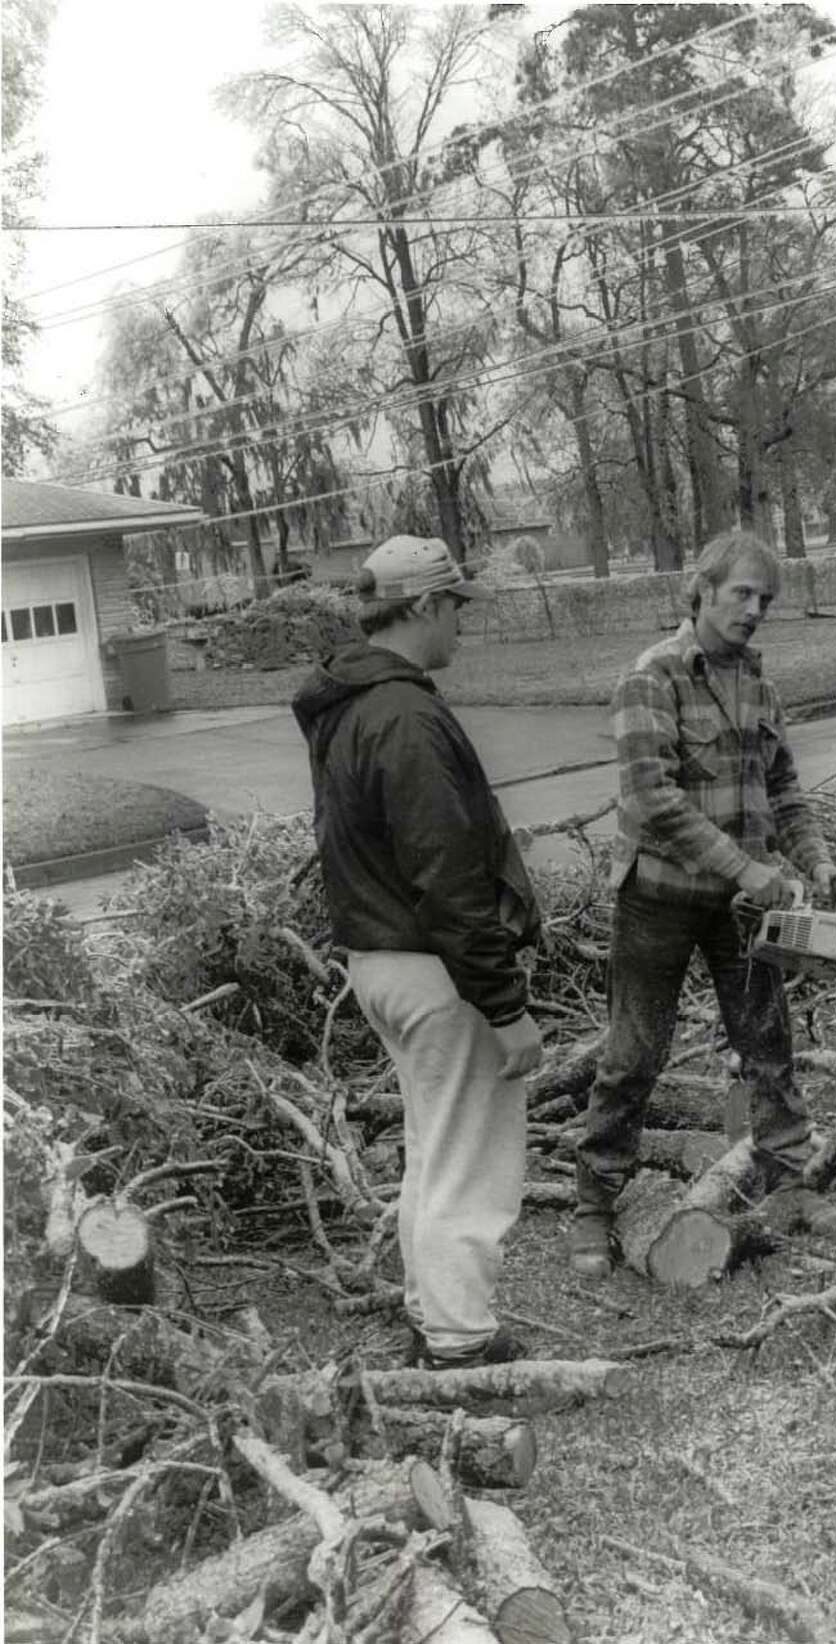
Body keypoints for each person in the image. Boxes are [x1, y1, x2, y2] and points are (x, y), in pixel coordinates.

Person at [570, 529, 836, 1277]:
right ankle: (596, 1205)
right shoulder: (650, 678)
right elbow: (653, 800)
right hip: (658, 899)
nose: (754, 610)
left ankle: (791, 1185)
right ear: (699, 591)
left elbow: (784, 787)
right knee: (632, 1055)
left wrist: (817, 862)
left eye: (765, 599)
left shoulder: (759, 684)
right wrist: (745, 869)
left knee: (768, 1044)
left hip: (743, 912)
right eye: (742, 595)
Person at [293, 534, 543, 1367]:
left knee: (434, 1147)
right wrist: (504, 1007)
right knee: (470, 1158)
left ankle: (429, 1312)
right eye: (456, 609)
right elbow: (446, 875)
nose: (460, 628)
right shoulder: (404, 714)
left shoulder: (350, 704)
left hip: (379, 961)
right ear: (425, 604)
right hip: (435, 968)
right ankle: (461, 1343)